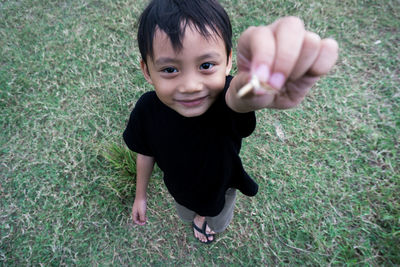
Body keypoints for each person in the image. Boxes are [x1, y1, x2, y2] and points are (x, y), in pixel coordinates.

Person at [123, 0, 338, 244]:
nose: (191, 86)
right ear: (147, 71)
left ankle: (205, 219)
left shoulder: (227, 101)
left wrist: (255, 85)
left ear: (227, 62)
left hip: (222, 188)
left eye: (206, 65)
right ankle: (196, 215)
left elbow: (239, 98)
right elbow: (145, 152)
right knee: (186, 212)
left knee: (216, 218)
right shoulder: (146, 110)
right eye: (170, 69)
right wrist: (140, 195)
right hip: (179, 190)